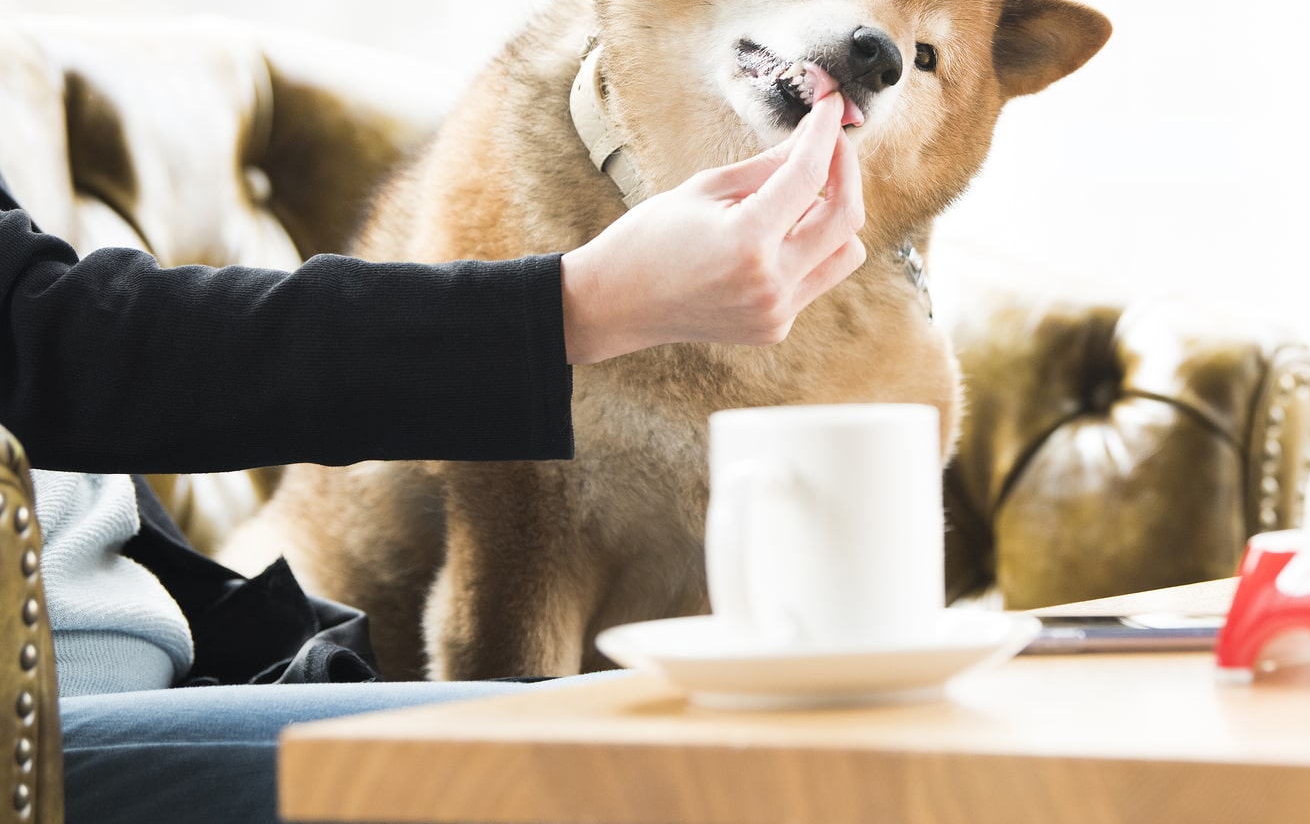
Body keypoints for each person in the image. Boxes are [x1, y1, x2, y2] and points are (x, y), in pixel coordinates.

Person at [0, 93, 864, 824]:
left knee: (777, 743)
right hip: (41, 748)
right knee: (697, 775)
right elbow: (62, 345)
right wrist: (581, 304)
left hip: (180, 681)